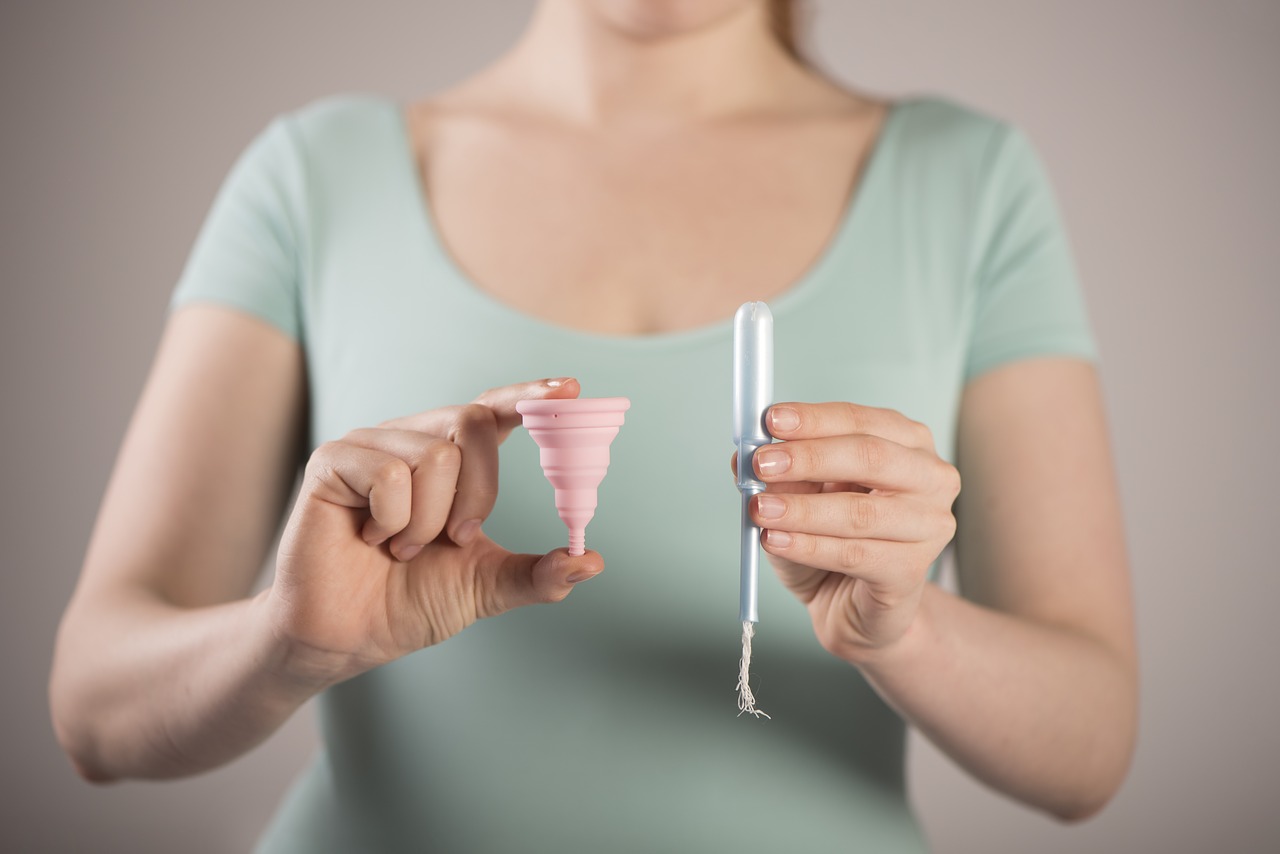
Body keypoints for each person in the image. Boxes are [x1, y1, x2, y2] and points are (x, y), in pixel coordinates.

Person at [49, 1, 1137, 851]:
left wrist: (905, 632)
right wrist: (286, 644)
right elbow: (95, 707)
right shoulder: (313, 178)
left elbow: (1086, 750)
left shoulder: (968, 181)